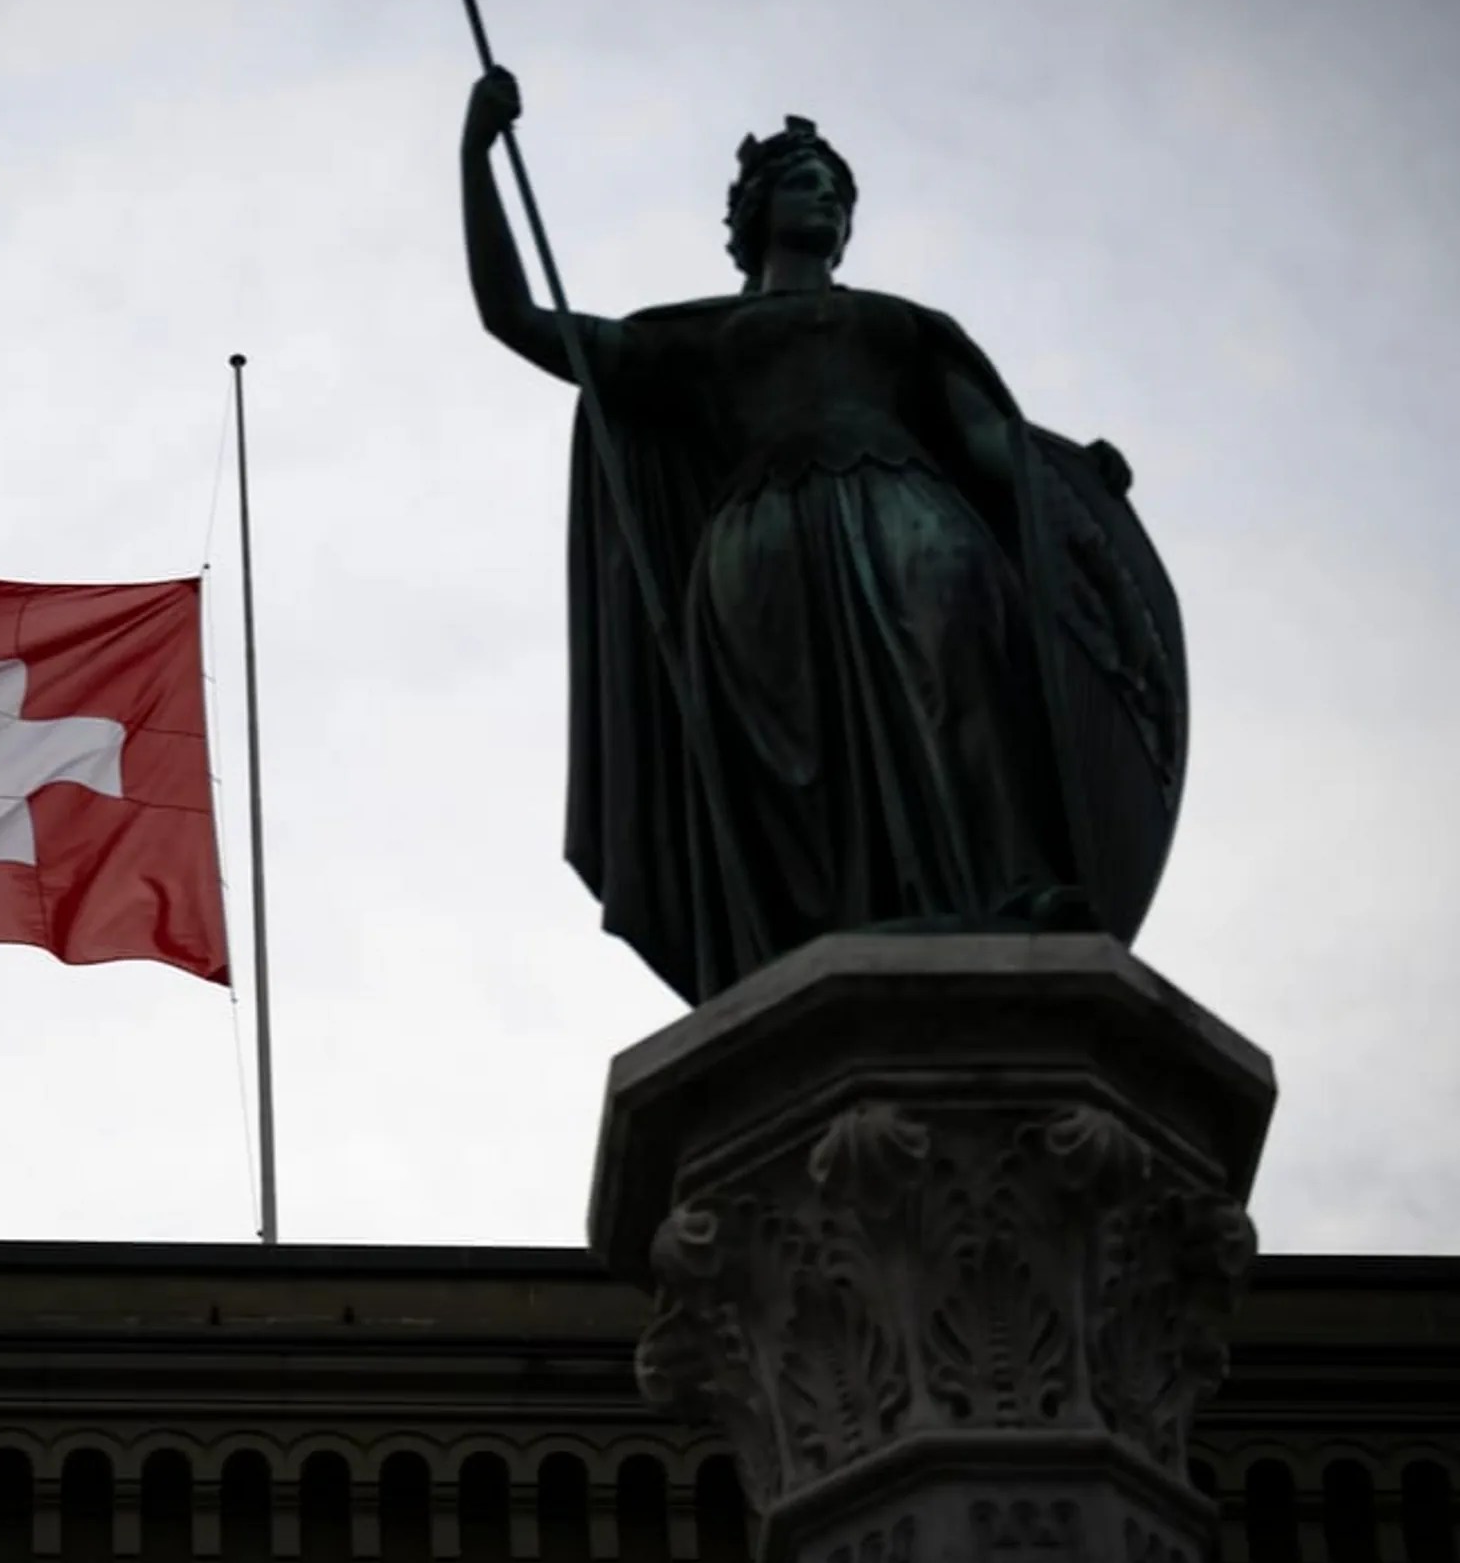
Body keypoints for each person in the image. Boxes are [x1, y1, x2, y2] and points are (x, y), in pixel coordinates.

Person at [460, 66, 1183, 1003]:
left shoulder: (902, 326)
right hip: (758, 550)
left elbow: (981, 439)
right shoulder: (695, 338)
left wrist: (1069, 485)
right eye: (808, 181)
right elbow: (515, 320)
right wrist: (476, 154)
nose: (828, 200)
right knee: (795, 760)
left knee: (955, 680)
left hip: (909, 513)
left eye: (840, 192)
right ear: (755, 210)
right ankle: (820, 928)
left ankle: (1002, 884)